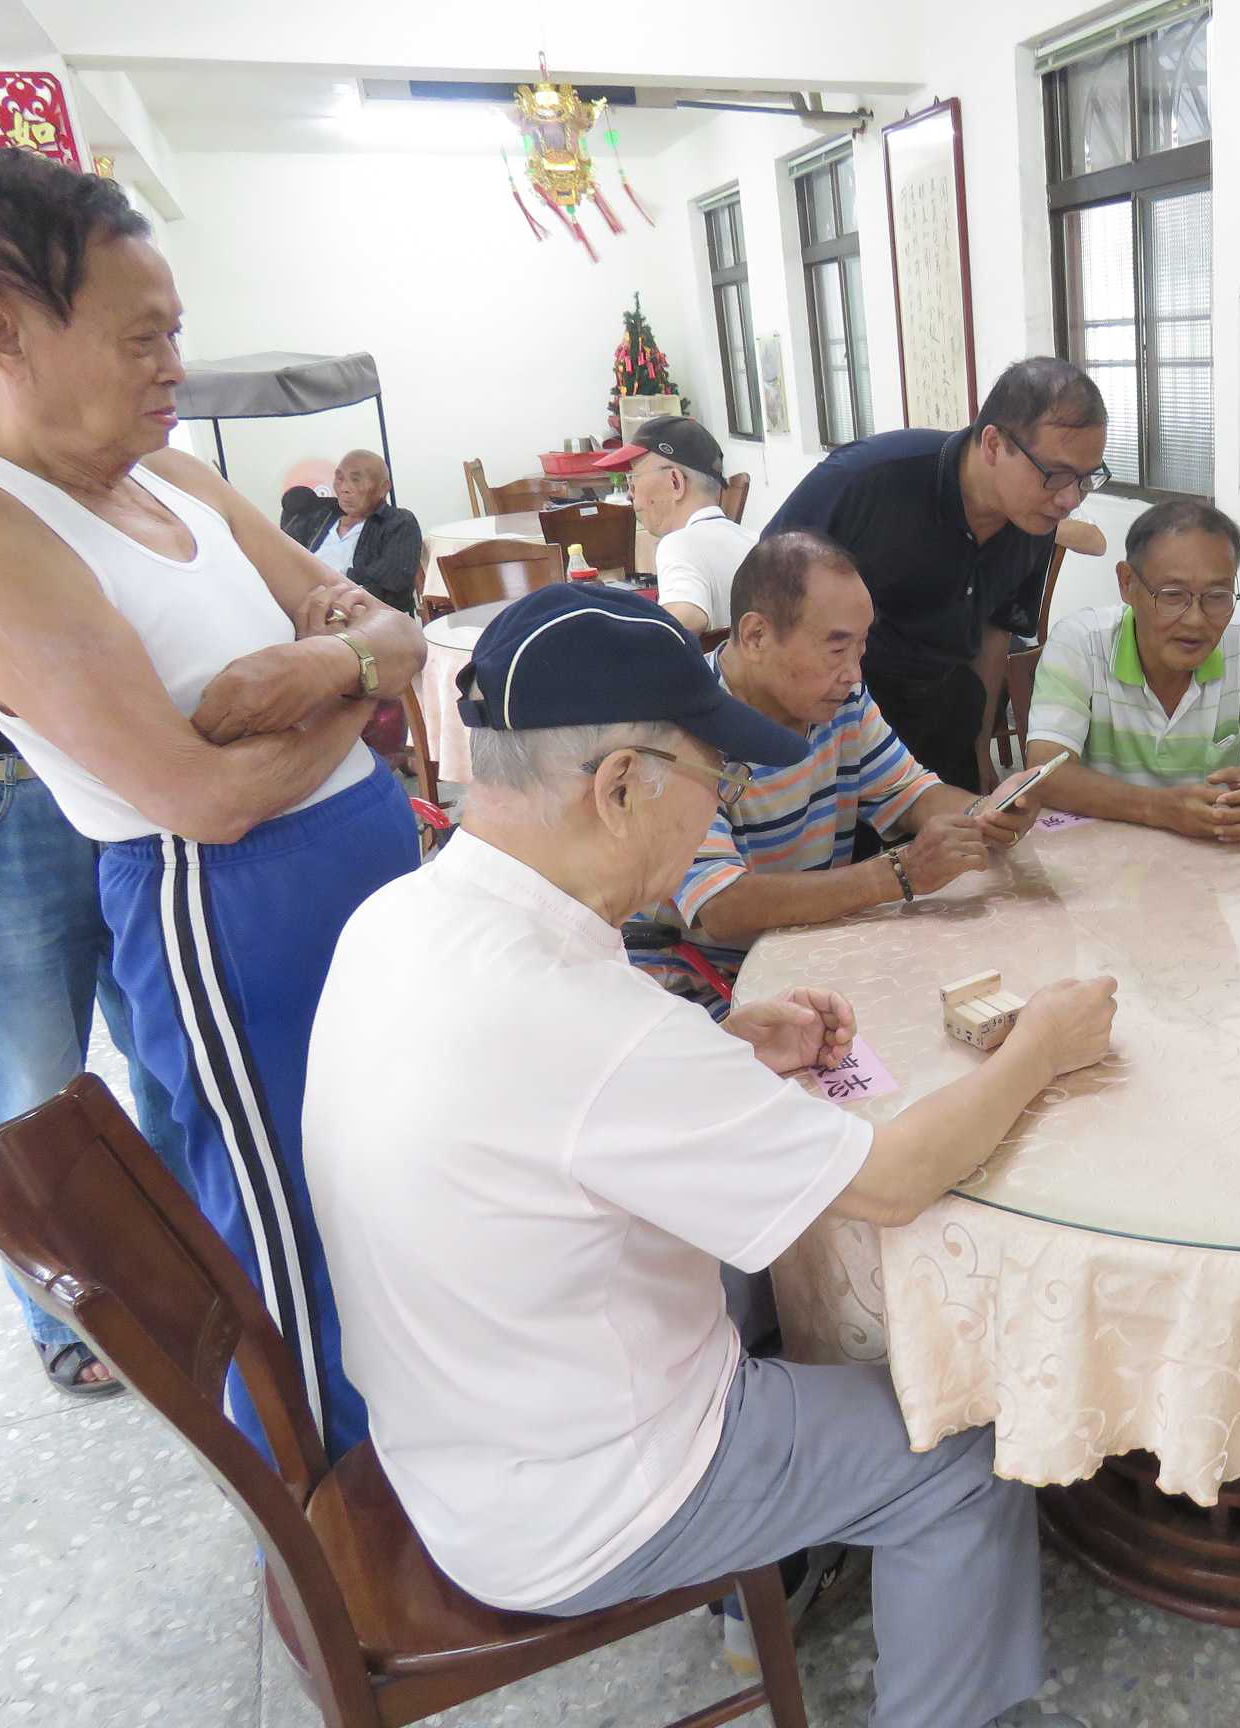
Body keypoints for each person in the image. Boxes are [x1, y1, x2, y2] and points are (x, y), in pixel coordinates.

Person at [302, 583, 1113, 1728]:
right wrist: (1038, 1047)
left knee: (770, 1281)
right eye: (713, 782)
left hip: (450, 1435)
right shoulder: (592, 1027)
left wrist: (715, 1040)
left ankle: (798, 1554)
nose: (716, 809)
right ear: (622, 786)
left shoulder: (398, 918)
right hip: (579, 1502)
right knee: (964, 1450)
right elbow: (887, 1183)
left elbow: (547, 1104)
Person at [0, 147, 427, 1462]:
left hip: (361, 867)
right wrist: (360, 681)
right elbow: (203, 797)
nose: (172, 369)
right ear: (2, 333)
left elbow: (398, 633)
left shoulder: (176, 481)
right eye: (141, 338)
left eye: (178, 336)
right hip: (234, 916)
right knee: (290, 1221)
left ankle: (433, 1438)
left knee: (406, 1169)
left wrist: (324, 664)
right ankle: (329, 1516)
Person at [0, 322, 185, 1397]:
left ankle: (196, 1280)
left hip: (114, 766)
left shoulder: (49, 438)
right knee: (28, 1078)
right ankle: (65, 1307)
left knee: (173, 1050)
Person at [675, 531, 1037, 1006]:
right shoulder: (680, 726)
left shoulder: (840, 700)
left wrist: (987, 810)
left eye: (861, 649)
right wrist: (896, 875)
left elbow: (909, 793)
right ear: (756, 636)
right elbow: (721, 904)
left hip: (812, 949)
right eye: (835, 648)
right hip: (709, 985)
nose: (854, 674)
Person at [765, 357, 1109, 793]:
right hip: (840, 720)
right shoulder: (870, 479)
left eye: (1085, 479)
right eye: (1055, 475)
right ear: (993, 444)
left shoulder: (1032, 519)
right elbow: (768, 591)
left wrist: (979, 749)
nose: (1068, 500)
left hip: (944, 714)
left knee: (960, 848)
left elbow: (994, 633)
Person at [1024, 498, 1240, 842]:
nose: (1196, 620)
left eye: (1217, 595)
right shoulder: (1080, 643)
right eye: (1173, 595)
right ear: (1127, 583)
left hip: (1211, 866)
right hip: (1104, 861)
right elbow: (1045, 772)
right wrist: (1160, 809)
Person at [593, 413, 754, 634]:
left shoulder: (679, 544)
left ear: (675, 481)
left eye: (633, 479)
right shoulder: (755, 542)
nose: (630, 495)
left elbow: (688, 617)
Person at [282, 448, 422, 613]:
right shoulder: (319, 516)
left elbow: (390, 584)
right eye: (339, 478)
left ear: (384, 487)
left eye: (356, 480)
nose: (344, 488)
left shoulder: (398, 522)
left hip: (363, 618)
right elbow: (285, 562)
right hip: (302, 610)